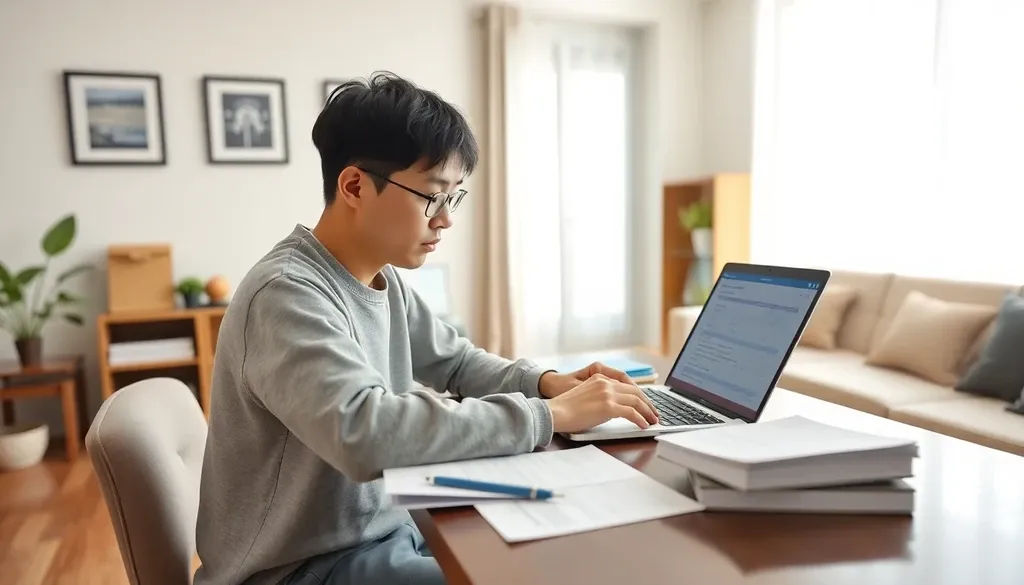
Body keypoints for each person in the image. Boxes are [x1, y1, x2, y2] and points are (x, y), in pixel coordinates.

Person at [193, 71, 659, 585]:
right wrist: (546, 414)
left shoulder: (380, 277)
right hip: (300, 568)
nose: (445, 220)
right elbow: (363, 431)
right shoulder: (284, 294)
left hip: (378, 533)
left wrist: (546, 382)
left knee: (565, 546)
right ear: (354, 186)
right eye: (432, 196)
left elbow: (454, 361)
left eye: (454, 198)